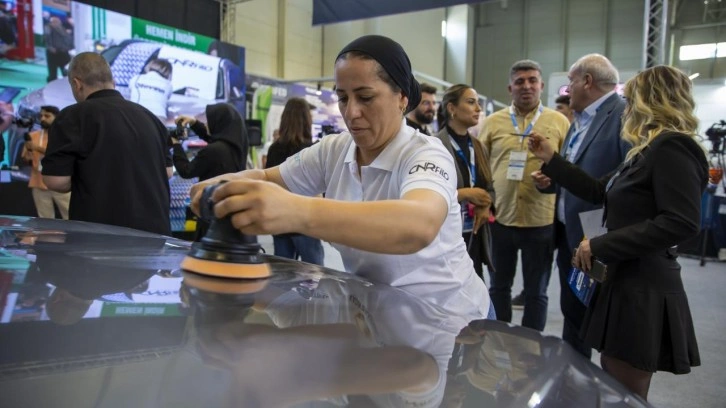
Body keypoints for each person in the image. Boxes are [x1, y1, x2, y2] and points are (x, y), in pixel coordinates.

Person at [190, 34, 490, 320]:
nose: (352, 112)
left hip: (451, 320)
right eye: (343, 98)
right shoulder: (334, 150)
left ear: (401, 97)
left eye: (366, 97)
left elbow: (418, 225)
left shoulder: (426, 154)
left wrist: (297, 211)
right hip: (381, 312)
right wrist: (223, 186)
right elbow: (266, 177)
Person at [528, 65, 706, 400]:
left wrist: (602, 244)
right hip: (625, 280)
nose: (626, 106)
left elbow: (681, 222)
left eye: (631, 98)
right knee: (615, 381)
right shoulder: (646, 150)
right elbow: (599, 190)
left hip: (643, 287)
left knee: (625, 392)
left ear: (650, 100)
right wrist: (553, 161)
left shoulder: (672, 147)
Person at [533, 53, 630, 358]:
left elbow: (625, 182)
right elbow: (578, 171)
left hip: (599, 240)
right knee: (573, 314)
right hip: (568, 234)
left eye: (570, 83)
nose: (567, 90)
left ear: (587, 81)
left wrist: (554, 161)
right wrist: (552, 182)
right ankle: (573, 386)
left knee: (599, 322)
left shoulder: (623, 115)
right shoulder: (579, 120)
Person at [478, 59, 570, 331]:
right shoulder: (493, 123)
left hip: (540, 221)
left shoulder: (559, 122)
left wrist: (554, 177)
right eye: (520, 82)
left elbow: (570, 168)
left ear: (541, 86)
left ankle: (532, 350)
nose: (526, 86)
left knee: (536, 293)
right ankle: (499, 341)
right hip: (501, 219)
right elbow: (482, 168)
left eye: (532, 81)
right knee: (498, 288)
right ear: (510, 88)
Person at [41, 52, 173, 235]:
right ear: (114, 81)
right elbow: (167, 172)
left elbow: (56, 181)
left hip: (100, 238)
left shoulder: (72, 116)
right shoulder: (152, 119)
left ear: (76, 84)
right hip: (155, 235)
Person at [434, 84, 494, 281]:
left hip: (474, 235)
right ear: (452, 108)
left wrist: (485, 205)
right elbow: (429, 194)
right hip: (445, 239)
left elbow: (489, 188)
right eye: (471, 102)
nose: (478, 109)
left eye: (478, 103)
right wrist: (464, 194)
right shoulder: (433, 146)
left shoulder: (478, 146)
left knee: (475, 295)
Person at [173, 103, 248, 239]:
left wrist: (176, 145)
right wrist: (194, 123)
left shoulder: (214, 151)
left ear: (218, 123)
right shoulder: (236, 146)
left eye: (209, 121)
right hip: (227, 211)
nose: (207, 124)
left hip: (210, 212)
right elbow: (213, 137)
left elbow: (186, 171)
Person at [264, 97, 324, 265]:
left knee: (282, 275)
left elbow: (269, 183)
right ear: (306, 120)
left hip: (279, 220)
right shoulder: (311, 150)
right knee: (315, 275)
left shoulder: (274, 149)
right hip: (305, 220)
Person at [21, 105, 71, 219]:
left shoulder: (64, 136)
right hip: (38, 182)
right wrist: (28, 155)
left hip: (61, 183)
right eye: (41, 116)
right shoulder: (33, 136)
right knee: (44, 219)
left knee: (70, 216)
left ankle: (75, 237)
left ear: (57, 118)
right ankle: (46, 237)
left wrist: (37, 148)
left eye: (47, 116)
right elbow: (25, 159)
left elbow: (59, 152)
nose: (42, 119)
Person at [44, 16, 73, 82]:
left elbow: (68, 40)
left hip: (63, 53)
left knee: (66, 72)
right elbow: (47, 39)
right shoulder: (48, 27)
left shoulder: (63, 29)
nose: (56, 23)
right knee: (53, 74)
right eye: (54, 21)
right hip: (53, 53)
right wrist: (51, 48)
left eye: (57, 21)